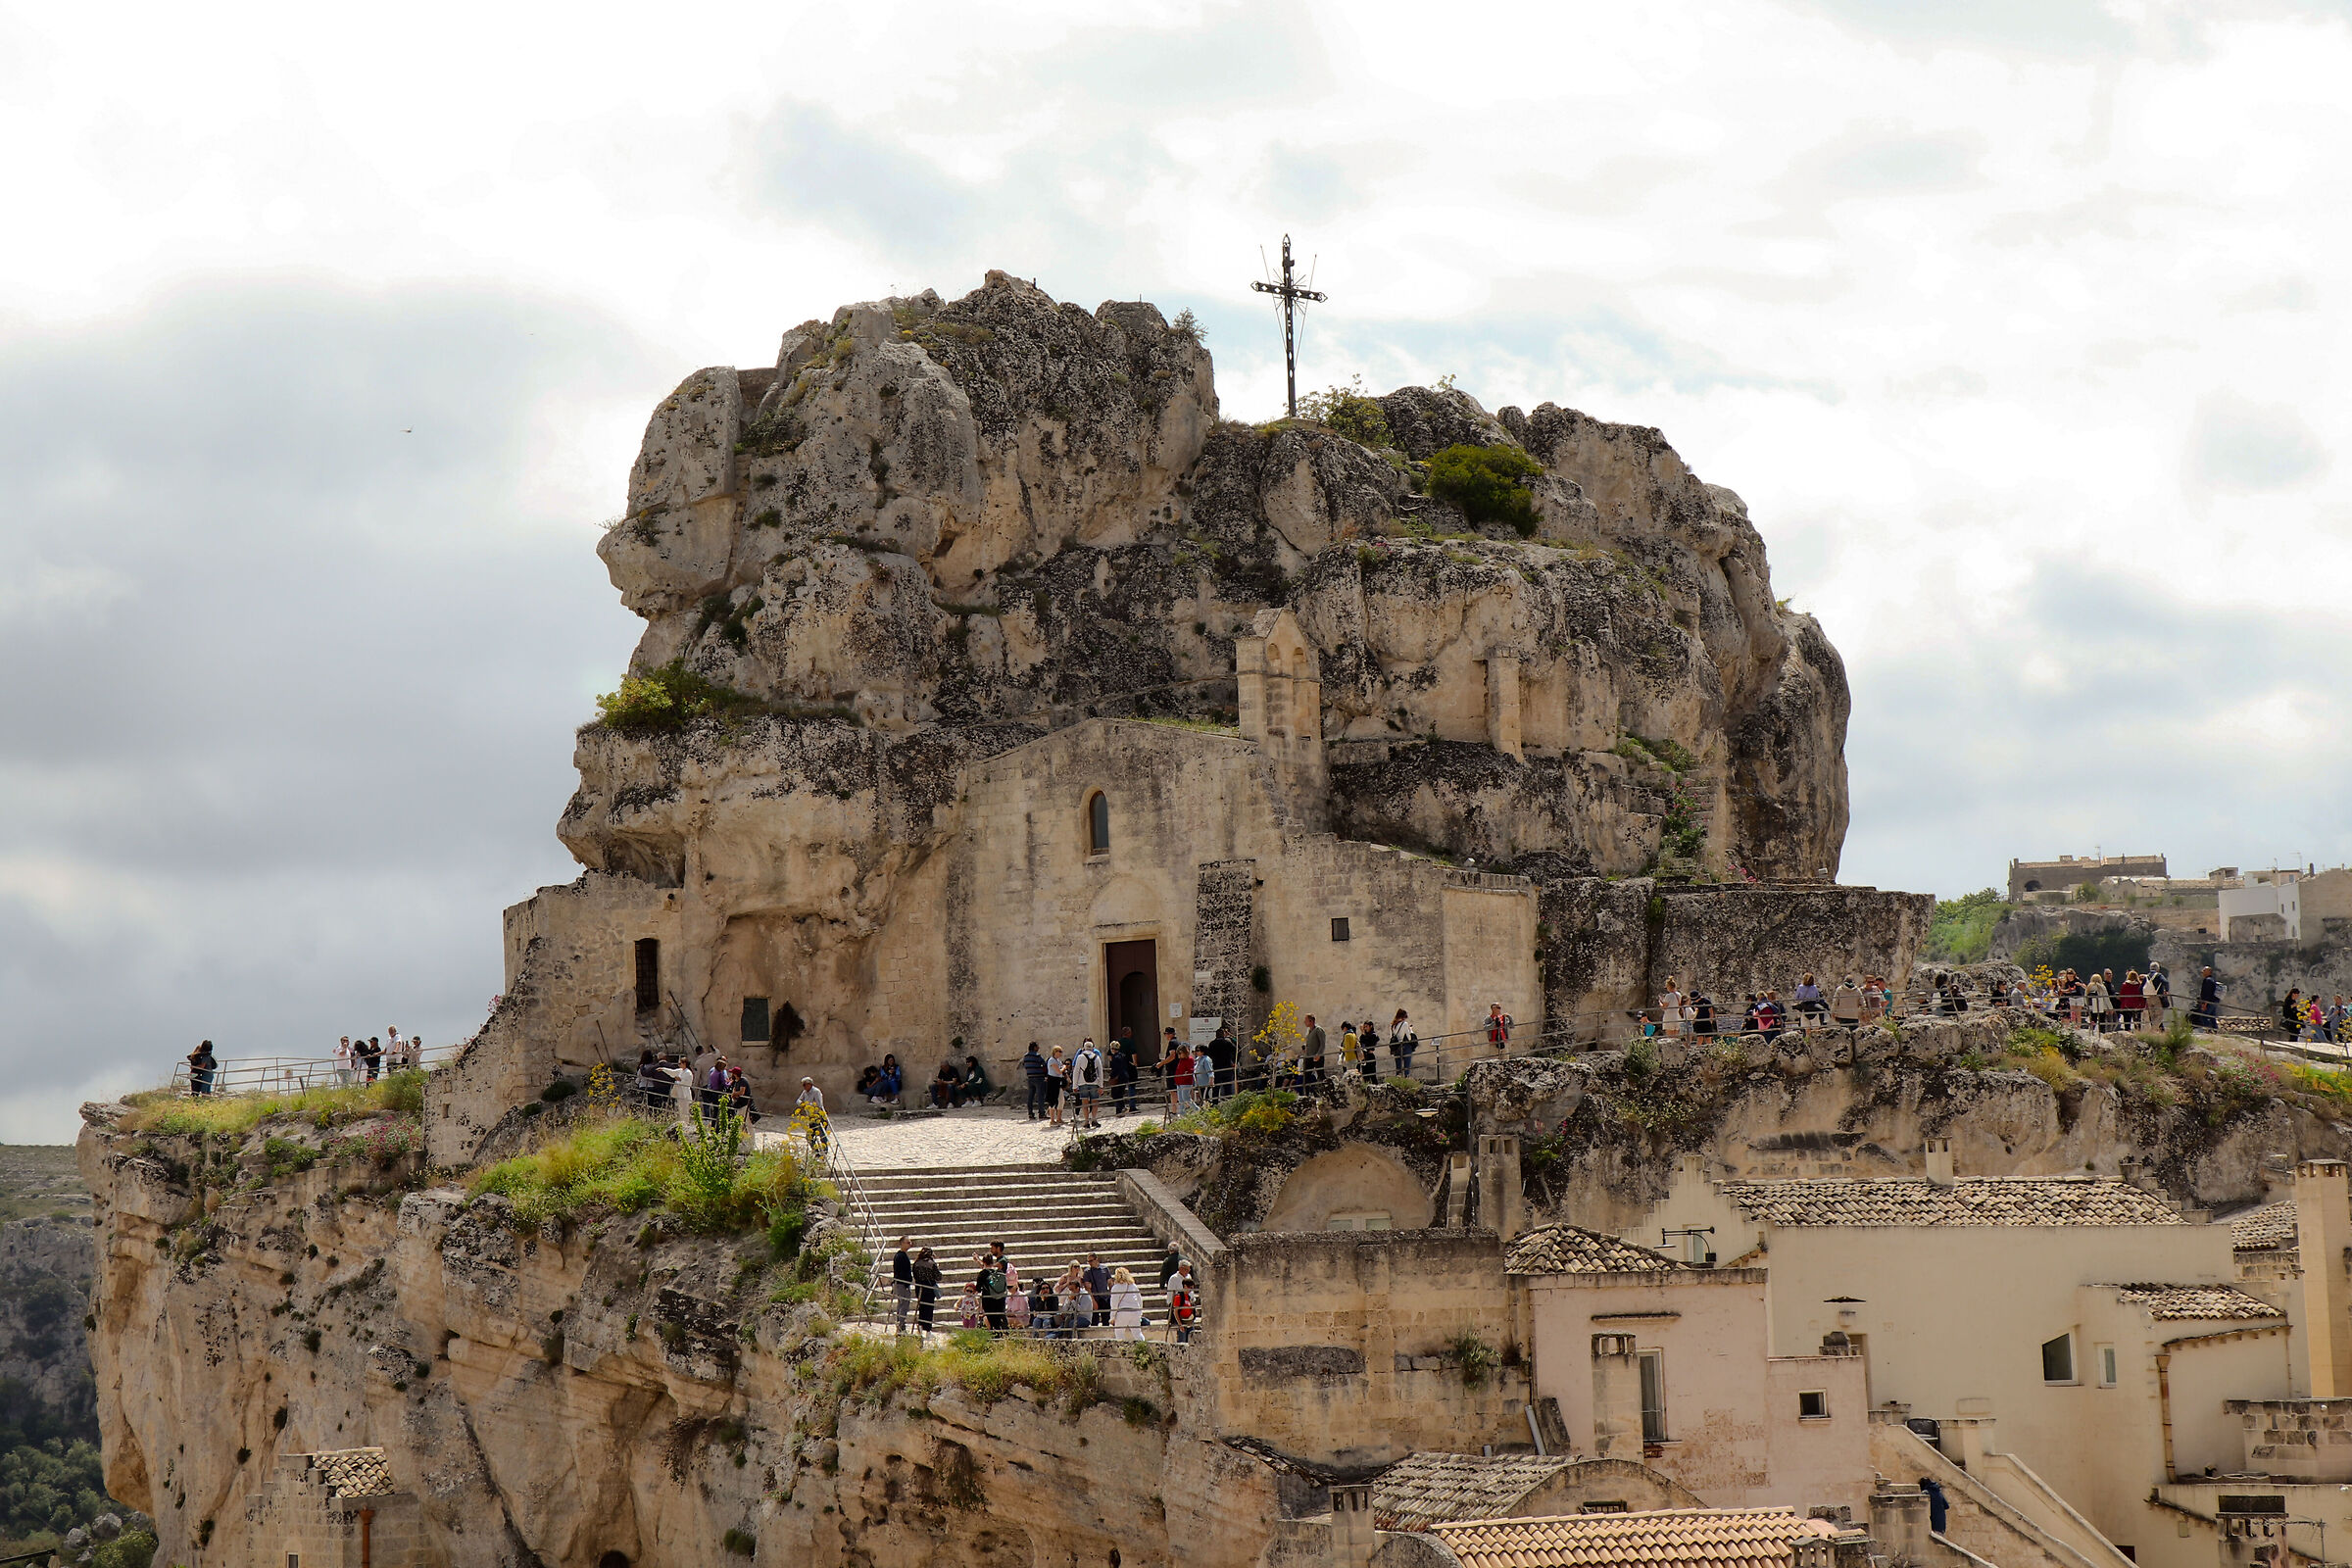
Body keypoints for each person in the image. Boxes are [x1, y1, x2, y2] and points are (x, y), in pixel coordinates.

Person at [1071, 1039, 1104, 1129]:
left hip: (1082, 1083)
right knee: (1094, 1102)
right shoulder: (1096, 1057)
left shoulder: (1080, 1057)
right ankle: (1094, 1119)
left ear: (1084, 1048)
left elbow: (1076, 1071)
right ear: (1092, 1048)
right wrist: (1101, 1086)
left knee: (1084, 1102)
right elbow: (1100, 1072)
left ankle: (1086, 1121)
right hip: (1094, 1083)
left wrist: (1075, 1085)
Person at [1108, 1266, 1146, 1341]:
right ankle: (1143, 1347)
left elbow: (1114, 1304)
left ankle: (1122, 1350)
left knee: (1119, 1333)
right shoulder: (1133, 1286)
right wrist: (1140, 1313)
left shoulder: (1116, 1287)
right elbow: (1139, 1300)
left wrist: (1112, 1317)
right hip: (1135, 1311)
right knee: (1137, 1333)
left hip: (1122, 1312)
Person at [912, 1247, 942, 1333]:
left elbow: (915, 1275)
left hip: (919, 1288)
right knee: (929, 1309)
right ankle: (928, 1329)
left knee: (921, 1307)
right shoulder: (931, 1264)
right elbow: (938, 1277)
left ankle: (920, 1326)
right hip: (929, 1288)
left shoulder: (916, 1263)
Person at [976, 1253, 1007, 1333]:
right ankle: (1003, 1337)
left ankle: (996, 1338)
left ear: (984, 1262)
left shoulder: (982, 1274)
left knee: (992, 1321)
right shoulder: (998, 1272)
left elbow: (978, 1289)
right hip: (1000, 1300)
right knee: (999, 1320)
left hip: (989, 1301)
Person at [1207, 1024, 1238, 1102]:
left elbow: (1209, 1054)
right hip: (1227, 1066)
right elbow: (1236, 1050)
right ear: (1223, 1035)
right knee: (1227, 1086)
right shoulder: (1227, 1043)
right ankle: (1228, 1102)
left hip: (1216, 1067)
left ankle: (1215, 1102)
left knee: (1216, 1087)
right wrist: (1234, 1061)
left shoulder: (1212, 1044)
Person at [1021, 1042, 1051, 1120]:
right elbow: (1044, 1065)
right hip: (1038, 1077)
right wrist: (1045, 1074)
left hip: (1030, 1078)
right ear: (1034, 1047)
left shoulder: (1025, 1056)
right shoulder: (1037, 1056)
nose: (1038, 1048)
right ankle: (1041, 1113)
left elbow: (1024, 1065)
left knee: (1030, 1096)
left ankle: (1030, 1113)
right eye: (1037, 1047)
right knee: (1040, 1096)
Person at [892, 1238, 914, 1334]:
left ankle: (900, 1325)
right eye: (908, 1242)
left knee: (901, 1305)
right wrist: (906, 1283)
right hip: (902, 1284)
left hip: (901, 1284)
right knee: (903, 1305)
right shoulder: (901, 1256)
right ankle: (901, 1326)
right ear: (902, 1243)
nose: (910, 1244)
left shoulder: (900, 1255)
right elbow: (901, 1272)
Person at [1083, 1251, 1111, 1327]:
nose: (1090, 1263)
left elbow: (1110, 1283)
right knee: (1094, 1321)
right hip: (1095, 1298)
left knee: (1106, 1320)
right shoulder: (1087, 1272)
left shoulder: (1105, 1269)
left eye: (1091, 1261)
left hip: (1105, 1298)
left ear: (1096, 1259)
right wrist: (1093, 1301)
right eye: (1088, 1261)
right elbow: (1087, 1288)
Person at [1045, 1044, 1069, 1126]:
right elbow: (1058, 1071)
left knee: (1061, 1100)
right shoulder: (1051, 1060)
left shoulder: (1058, 1061)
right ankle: (1052, 1120)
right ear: (1055, 1052)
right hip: (1052, 1081)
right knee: (1053, 1101)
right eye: (1060, 1051)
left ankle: (1059, 1118)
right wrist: (1064, 1067)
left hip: (1059, 1081)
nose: (1061, 1053)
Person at [1299, 1015, 1326, 1090]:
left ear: (1311, 1021)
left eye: (1306, 1020)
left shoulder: (1318, 1030)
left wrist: (1319, 1054)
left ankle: (1327, 1091)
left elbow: (1322, 1044)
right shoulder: (1308, 1031)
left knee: (1321, 1075)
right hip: (1308, 1057)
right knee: (1306, 1076)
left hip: (1317, 1056)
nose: (1304, 1022)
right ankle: (1306, 1095)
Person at [1168, 1041, 1195, 1113]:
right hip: (1179, 1082)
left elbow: (1190, 1071)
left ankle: (1196, 1110)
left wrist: (1184, 1075)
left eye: (1180, 1053)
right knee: (1180, 1099)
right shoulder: (1181, 1060)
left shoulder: (1190, 1060)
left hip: (1186, 1082)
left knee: (1186, 1098)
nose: (1179, 1055)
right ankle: (1182, 1114)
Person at [1390, 1010, 1417, 1080]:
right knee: (1406, 1067)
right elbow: (1409, 1038)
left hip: (1396, 1047)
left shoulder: (1393, 1025)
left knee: (1398, 1068)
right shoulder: (1405, 1024)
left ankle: (1398, 1080)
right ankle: (1406, 1079)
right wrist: (1411, 1030)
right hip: (1405, 1047)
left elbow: (1392, 1036)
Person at [2194, 967, 2222, 1031]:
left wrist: (2204, 1004)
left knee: (2203, 1016)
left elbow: (2207, 993)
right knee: (2212, 1017)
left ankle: (2209, 1030)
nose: (2202, 971)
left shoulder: (2207, 980)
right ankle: (2215, 1030)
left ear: (2209, 971)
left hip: (2209, 1002)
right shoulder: (2212, 980)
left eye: (2204, 970)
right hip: (2214, 1001)